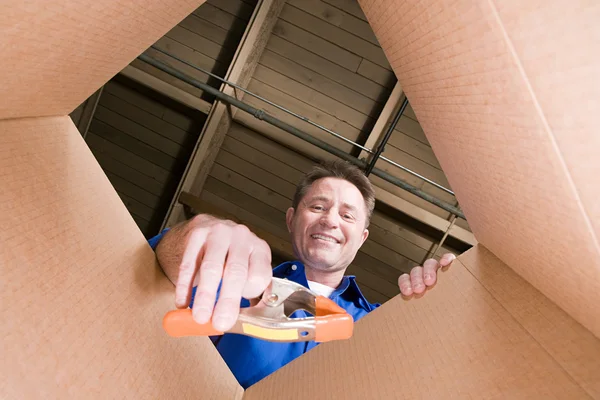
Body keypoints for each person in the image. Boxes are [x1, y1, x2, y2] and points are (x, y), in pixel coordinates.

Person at [148, 160, 455, 388]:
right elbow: (155, 274)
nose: (331, 220)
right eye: (318, 207)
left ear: (361, 238)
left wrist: (443, 303)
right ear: (292, 220)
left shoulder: (380, 325)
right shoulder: (239, 286)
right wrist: (192, 238)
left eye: (347, 215)